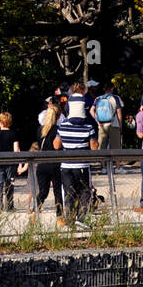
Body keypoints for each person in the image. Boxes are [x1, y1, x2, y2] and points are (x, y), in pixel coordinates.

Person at [56, 85, 99, 225]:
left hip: (66, 166)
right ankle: (81, 218)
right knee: (85, 192)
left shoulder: (63, 125)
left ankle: (69, 220)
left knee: (68, 193)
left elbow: (56, 145)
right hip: (82, 165)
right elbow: (94, 147)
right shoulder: (88, 127)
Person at [33, 104, 63, 215]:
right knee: (58, 191)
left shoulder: (40, 130)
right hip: (55, 163)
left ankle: (35, 210)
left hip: (42, 164)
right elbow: (58, 146)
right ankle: (60, 215)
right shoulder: (58, 130)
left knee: (43, 192)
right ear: (58, 116)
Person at [0, 111, 20, 211]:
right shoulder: (13, 134)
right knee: (9, 185)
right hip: (10, 163)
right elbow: (16, 150)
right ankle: (10, 206)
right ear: (10, 122)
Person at [92, 81, 124, 153]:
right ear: (112, 88)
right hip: (114, 125)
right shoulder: (116, 98)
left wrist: (97, 120)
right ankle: (117, 164)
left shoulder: (98, 98)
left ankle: (103, 164)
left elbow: (91, 111)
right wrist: (120, 125)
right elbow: (119, 113)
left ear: (104, 89)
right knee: (116, 149)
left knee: (101, 148)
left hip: (102, 125)